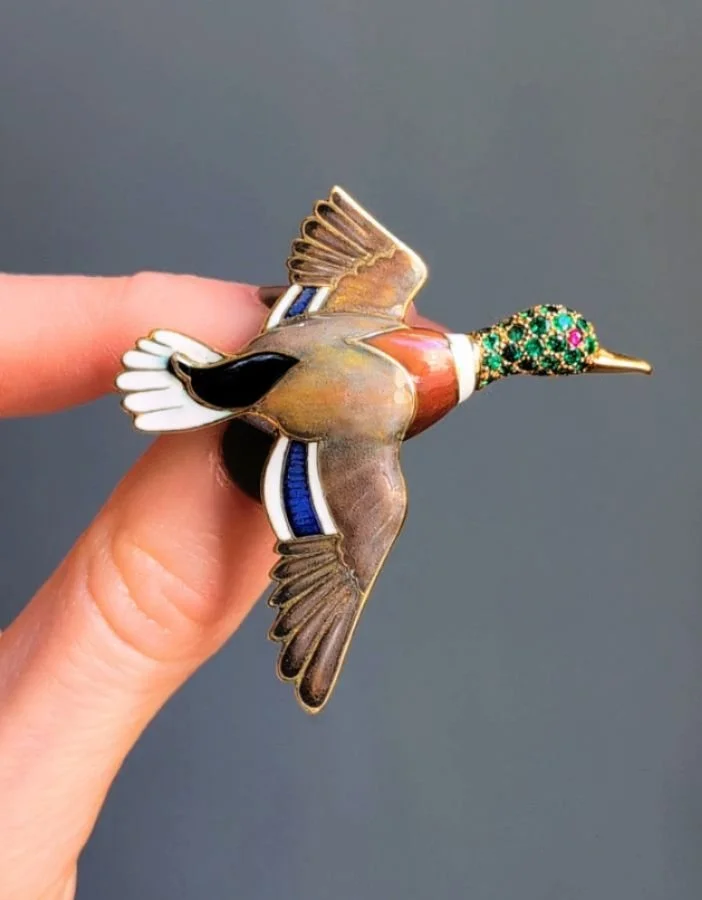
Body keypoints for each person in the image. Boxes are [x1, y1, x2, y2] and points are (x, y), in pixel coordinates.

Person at [0, 272, 435, 899]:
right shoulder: (378, 482)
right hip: (215, 390)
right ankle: (210, 393)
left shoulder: (385, 276)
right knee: (375, 514)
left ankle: (208, 387)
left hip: (219, 369)